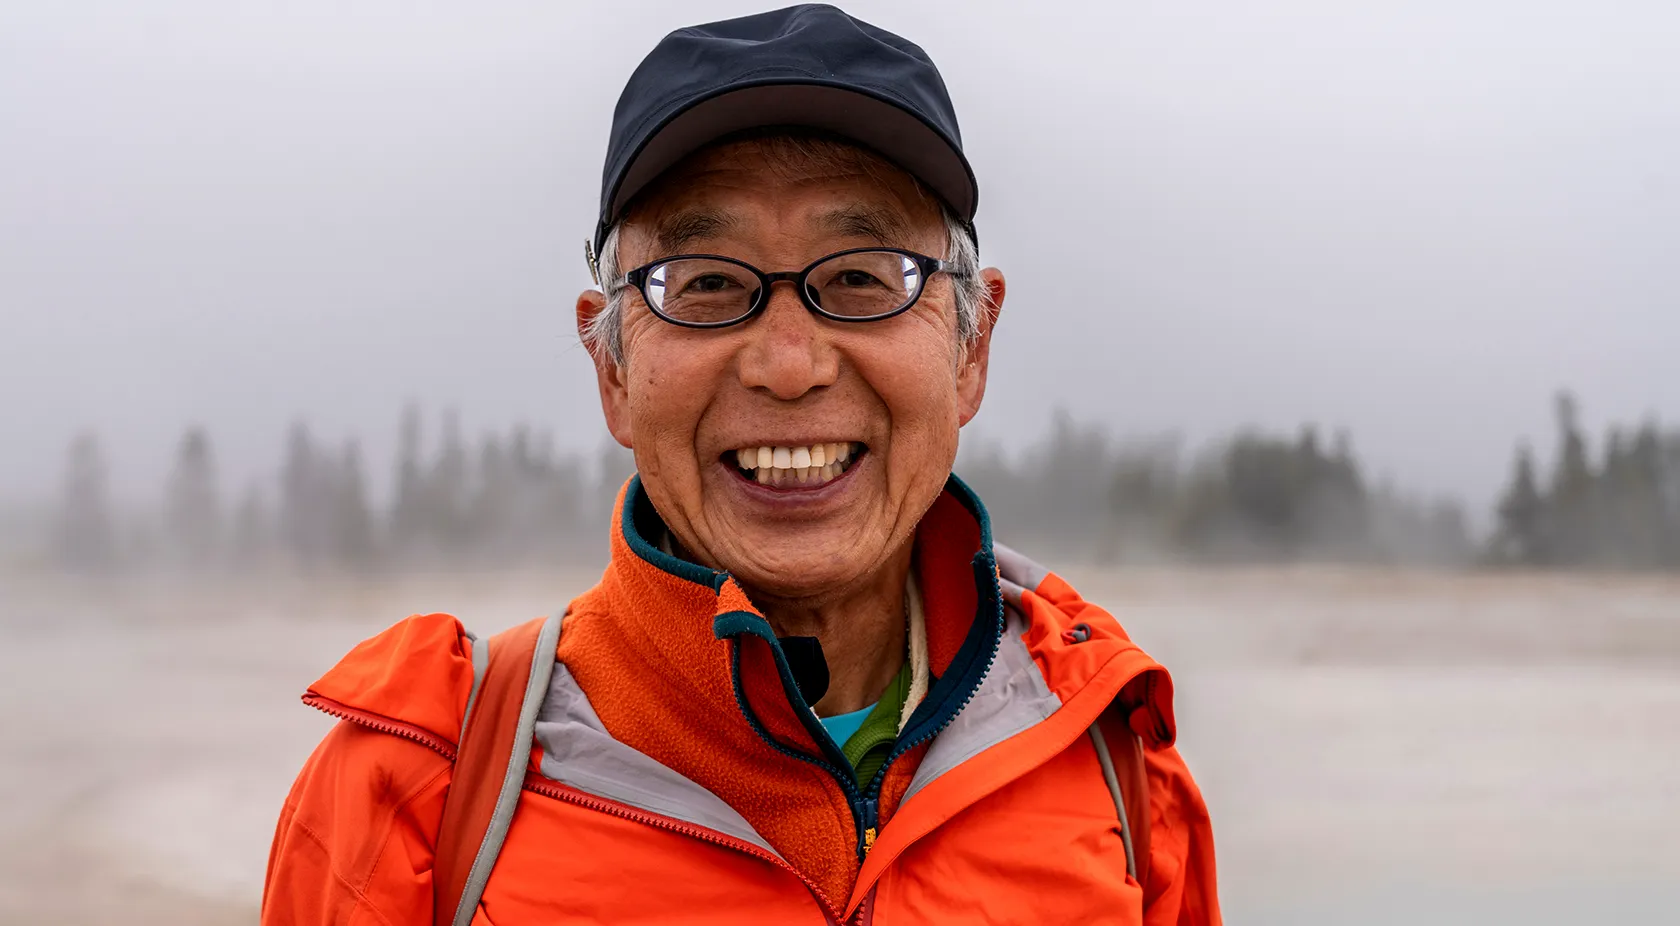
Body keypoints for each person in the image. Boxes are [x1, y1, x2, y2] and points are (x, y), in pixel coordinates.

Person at [261, 5, 1220, 924]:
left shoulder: (1112, 758)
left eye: (861, 276)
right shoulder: (427, 788)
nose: (789, 366)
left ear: (971, 349)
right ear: (612, 368)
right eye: (707, 285)